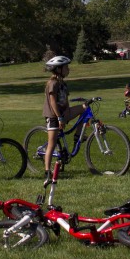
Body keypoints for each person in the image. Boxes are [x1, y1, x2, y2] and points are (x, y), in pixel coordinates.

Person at [42, 56, 91, 184]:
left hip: (64, 113)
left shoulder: (63, 83)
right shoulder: (52, 83)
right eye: (66, 67)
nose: (68, 69)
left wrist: (69, 112)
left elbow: (66, 101)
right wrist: (59, 118)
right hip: (54, 116)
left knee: (85, 108)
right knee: (52, 144)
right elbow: (53, 102)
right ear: (58, 69)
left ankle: (78, 136)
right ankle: (47, 172)